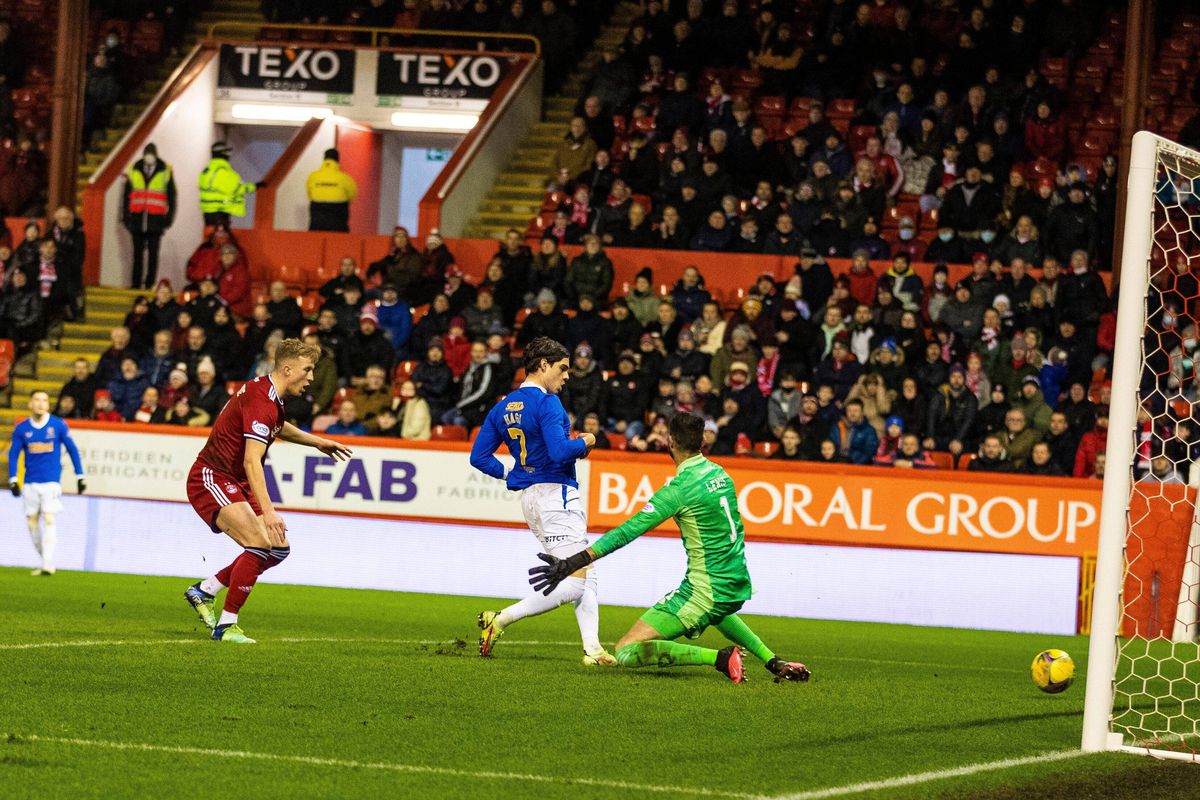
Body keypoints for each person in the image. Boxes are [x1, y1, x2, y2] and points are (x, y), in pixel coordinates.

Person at [529, 412, 810, 685]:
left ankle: (720, 659)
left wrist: (572, 562)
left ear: (670, 442)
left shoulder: (679, 490)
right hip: (735, 580)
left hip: (704, 589)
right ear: (702, 443)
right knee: (715, 610)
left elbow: (629, 531)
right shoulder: (720, 474)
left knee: (625, 650)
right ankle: (773, 661)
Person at [182, 339, 353, 643]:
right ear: (288, 369)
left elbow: (278, 425)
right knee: (260, 544)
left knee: (278, 548)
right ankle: (226, 626)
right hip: (212, 477)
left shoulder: (267, 393)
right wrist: (270, 511)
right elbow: (251, 460)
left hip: (233, 481)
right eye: (308, 369)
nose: (311, 377)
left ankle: (206, 589)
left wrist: (318, 442)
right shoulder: (263, 399)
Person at [469, 337, 612, 666]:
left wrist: (511, 474)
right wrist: (587, 441)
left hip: (531, 499)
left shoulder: (503, 406)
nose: (566, 377)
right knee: (575, 581)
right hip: (556, 495)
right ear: (543, 365)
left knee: (585, 570)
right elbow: (561, 451)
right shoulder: (548, 404)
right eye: (562, 369)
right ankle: (501, 618)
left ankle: (593, 648)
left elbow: (479, 457)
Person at [8, 391, 86, 576]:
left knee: (49, 518)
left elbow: (72, 449)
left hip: (51, 481)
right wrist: (13, 479)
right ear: (30, 404)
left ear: (48, 405)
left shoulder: (57, 425)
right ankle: (46, 561)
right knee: (32, 523)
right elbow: (13, 454)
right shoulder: (21, 429)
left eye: (44, 400)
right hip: (29, 482)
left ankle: (46, 563)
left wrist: (80, 476)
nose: (41, 404)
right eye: (37, 400)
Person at [122, 142, 176, 289]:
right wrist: (126, 218)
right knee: (137, 255)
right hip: (137, 219)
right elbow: (126, 196)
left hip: (155, 221)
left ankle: (149, 284)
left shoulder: (165, 170)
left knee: (153, 255)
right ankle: (135, 284)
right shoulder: (134, 169)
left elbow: (172, 197)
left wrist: (168, 219)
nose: (149, 158)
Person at [198, 141, 260, 228]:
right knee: (221, 238)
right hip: (219, 212)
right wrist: (255, 186)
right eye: (227, 152)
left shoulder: (208, 170)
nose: (229, 155)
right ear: (222, 154)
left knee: (211, 236)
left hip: (209, 211)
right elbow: (237, 188)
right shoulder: (222, 171)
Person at [306, 148, 357, 232]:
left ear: (324, 159)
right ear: (337, 160)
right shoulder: (345, 178)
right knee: (339, 239)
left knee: (315, 237)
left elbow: (309, 193)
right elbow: (352, 195)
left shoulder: (313, 176)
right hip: (338, 211)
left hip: (317, 211)